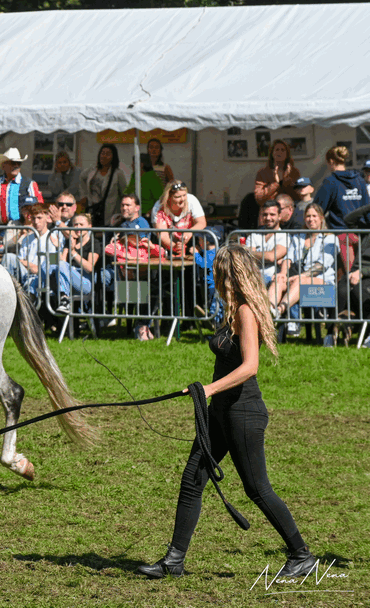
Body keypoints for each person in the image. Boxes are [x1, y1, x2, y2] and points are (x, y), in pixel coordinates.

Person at [138, 244, 317, 581]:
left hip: (243, 412)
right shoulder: (232, 310)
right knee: (193, 479)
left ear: (231, 276)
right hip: (219, 412)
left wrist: (209, 389)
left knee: (258, 488)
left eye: (219, 272)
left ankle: (301, 555)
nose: (215, 278)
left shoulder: (247, 311)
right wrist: (207, 395)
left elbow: (251, 366)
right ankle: (174, 559)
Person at [268, 204, 337, 334]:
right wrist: (282, 273)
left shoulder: (330, 238)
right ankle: (268, 312)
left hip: (323, 283)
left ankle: (279, 310)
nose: (311, 219)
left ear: (321, 218)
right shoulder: (298, 237)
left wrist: (300, 276)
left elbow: (322, 266)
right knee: (278, 280)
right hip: (297, 281)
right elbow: (288, 258)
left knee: (300, 282)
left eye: (314, 216)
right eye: (308, 216)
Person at [313, 145, 370, 230]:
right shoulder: (360, 180)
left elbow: (317, 209)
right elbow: (367, 210)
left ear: (331, 162)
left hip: (340, 235)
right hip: (360, 234)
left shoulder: (330, 182)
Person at [54, 213, 100, 315]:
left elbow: (89, 268)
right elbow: (62, 262)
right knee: (50, 267)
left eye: (81, 224)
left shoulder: (94, 243)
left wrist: (73, 252)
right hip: (69, 281)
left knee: (60, 266)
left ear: (89, 226)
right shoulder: (70, 241)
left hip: (85, 282)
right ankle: (63, 298)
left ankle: (64, 300)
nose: (78, 227)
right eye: (75, 225)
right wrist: (59, 247)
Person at [153, 181, 207, 256]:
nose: (183, 199)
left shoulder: (191, 200)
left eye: (184, 195)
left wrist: (190, 232)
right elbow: (162, 235)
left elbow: (201, 222)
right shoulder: (159, 207)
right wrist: (175, 247)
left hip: (190, 244)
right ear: (168, 198)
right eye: (178, 197)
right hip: (168, 246)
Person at [82, 144, 127, 228]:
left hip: (110, 212)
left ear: (113, 157)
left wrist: (122, 213)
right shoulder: (92, 170)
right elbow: (82, 178)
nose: (104, 156)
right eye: (102, 153)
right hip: (92, 209)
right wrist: (84, 195)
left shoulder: (118, 173)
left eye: (108, 154)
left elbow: (124, 194)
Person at [245, 201, 288, 286]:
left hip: (271, 278)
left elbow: (272, 257)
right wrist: (267, 255)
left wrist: (252, 253)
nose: (268, 218)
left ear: (279, 216)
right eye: (265, 214)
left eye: (272, 214)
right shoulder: (254, 235)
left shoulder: (284, 236)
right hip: (252, 275)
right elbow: (247, 256)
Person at [125, 139, 169, 216]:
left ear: (141, 164)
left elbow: (160, 199)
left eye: (134, 163)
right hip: (133, 213)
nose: (132, 166)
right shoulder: (134, 175)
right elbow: (128, 191)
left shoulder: (152, 178)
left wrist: (150, 212)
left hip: (147, 214)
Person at [254, 139, 301, 206]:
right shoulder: (263, 172)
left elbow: (299, 196)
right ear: (272, 153)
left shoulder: (293, 172)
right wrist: (275, 184)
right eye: (277, 150)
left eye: (282, 150)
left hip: (288, 208)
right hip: (270, 209)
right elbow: (259, 198)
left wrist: (288, 183)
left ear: (287, 154)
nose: (280, 152)